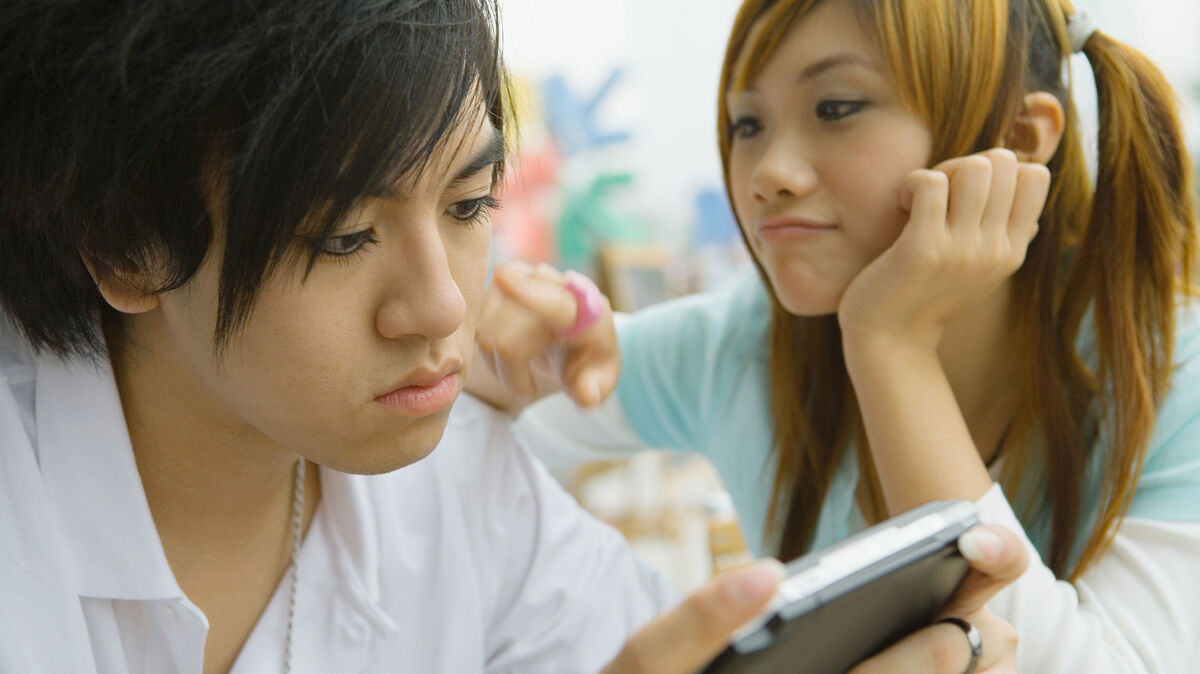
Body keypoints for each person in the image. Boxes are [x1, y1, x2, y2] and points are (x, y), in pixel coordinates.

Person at [0, 1, 1029, 673]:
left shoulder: (465, 486)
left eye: (468, 204)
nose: (445, 306)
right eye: (344, 233)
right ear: (130, 244)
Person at [469, 0, 1200, 671]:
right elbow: (470, 415)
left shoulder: (1170, 369)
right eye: (747, 124)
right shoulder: (747, 344)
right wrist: (521, 351)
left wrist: (892, 345)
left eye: (837, 107)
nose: (768, 175)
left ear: (1017, 138)